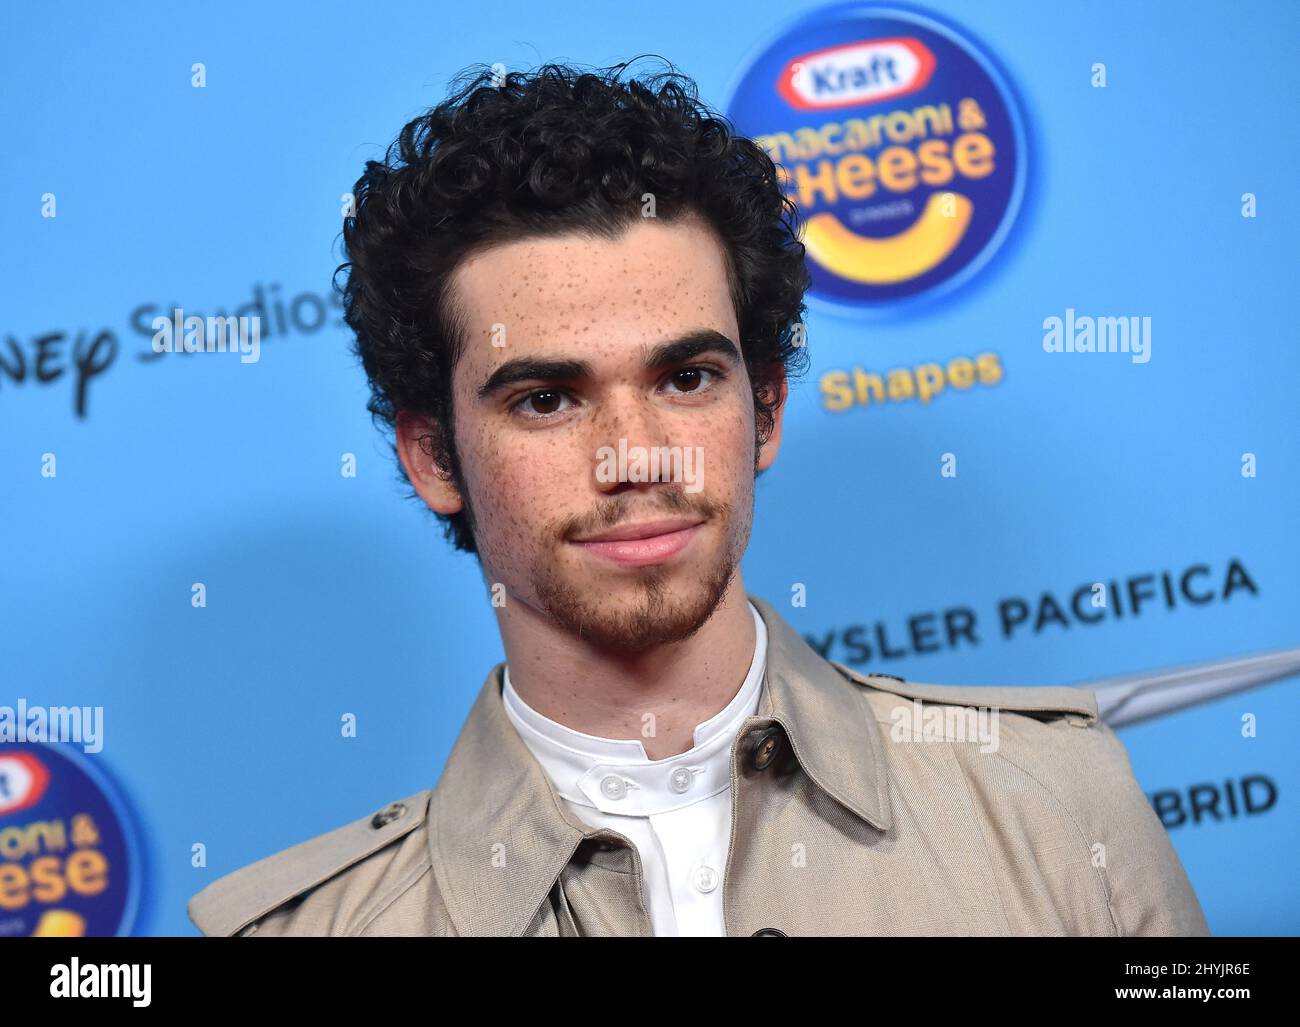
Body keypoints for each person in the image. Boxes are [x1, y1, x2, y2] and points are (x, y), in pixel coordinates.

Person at [187, 60, 1209, 937]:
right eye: (546, 398)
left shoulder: (1057, 802)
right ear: (433, 457)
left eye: (685, 380)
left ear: (763, 410)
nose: (637, 458)